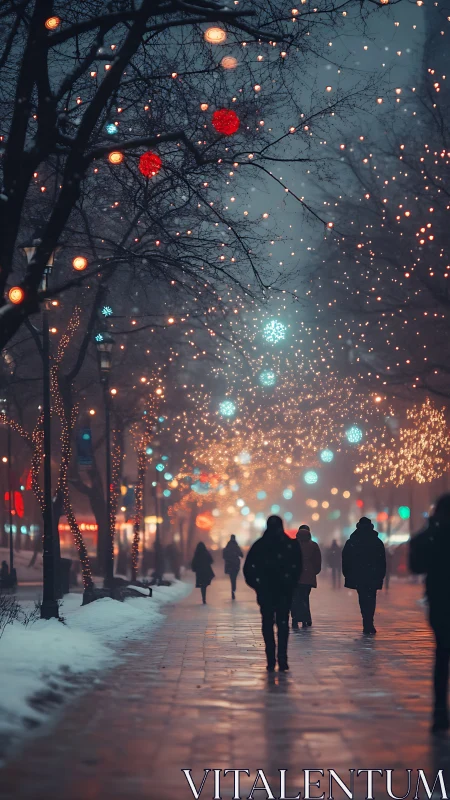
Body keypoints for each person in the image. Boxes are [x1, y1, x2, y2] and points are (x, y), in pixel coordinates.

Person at [410, 494, 450, 733]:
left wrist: (430, 526)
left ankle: (439, 711)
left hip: (441, 599)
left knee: (443, 654)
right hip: (440, 599)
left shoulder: (433, 535)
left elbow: (416, 565)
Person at [243, 515, 302, 672]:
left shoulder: (260, 545)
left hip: (267, 592)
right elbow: (298, 567)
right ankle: (282, 658)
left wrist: (258, 585)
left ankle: (271, 658)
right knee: (282, 624)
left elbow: (248, 569)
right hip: (283, 592)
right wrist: (291, 584)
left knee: (268, 624)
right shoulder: (290, 545)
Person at [342, 516, 386, 635]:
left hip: (358, 575)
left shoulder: (352, 541)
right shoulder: (376, 542)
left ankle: (366, 621)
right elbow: (382, 561)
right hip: (373, 575)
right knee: (371, 598)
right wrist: (381, 575)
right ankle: (369, 621)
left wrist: (347, 573)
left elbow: (346, 559)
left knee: (363, 599)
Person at [291, 525, 321, 629]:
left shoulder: (293, 545)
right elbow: (317, 561)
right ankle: (305, 619)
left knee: (295, 599)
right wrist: (313, 572)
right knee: (304, 598)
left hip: (294, 576)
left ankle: (295, 619)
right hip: (308, 576)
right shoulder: (313, 545)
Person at [222, 534, 243, 599]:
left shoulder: (227, 547)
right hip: (236, 565)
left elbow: (224, 556)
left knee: (232, 578)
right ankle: (233, 589)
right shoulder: (237, 547)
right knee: (234, 578)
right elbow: (241, 555)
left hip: (229, 565)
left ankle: (233, 590)